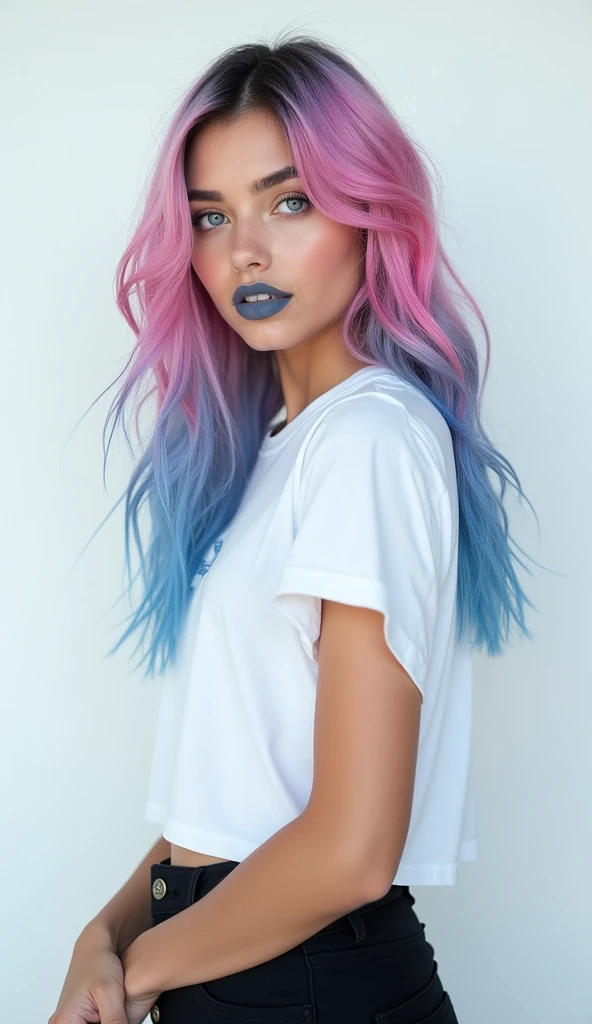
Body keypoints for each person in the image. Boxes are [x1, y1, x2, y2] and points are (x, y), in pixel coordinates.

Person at [50, 30, 540, 1024]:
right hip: (237, 961)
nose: (245, 251)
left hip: (297, 983)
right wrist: (102, 935)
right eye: (210, 215)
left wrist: (135, 973)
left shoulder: (367, 438)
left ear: (371, 213)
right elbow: (230, 801)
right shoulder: (283, 450)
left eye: (289, 200)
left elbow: (351, 849)